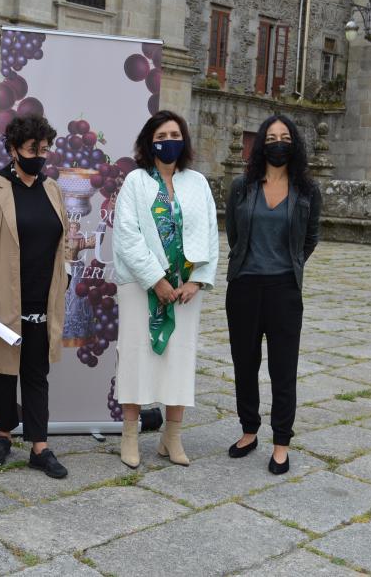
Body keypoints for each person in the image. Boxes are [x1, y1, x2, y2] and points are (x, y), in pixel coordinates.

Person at [0, 115, 70, 479]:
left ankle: (40, 446)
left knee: (37, 372)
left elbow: (63, 240)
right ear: (13, 149)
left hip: (43, 297)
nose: (39, 156)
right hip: (3, 298)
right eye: (31, 149)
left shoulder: (52, 189)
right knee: (3, 370)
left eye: (44, 149)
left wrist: (65, 275)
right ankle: (4, 434)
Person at [113, 110, 219, 469]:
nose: (169, 141)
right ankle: (130, 436)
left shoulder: (198, 183)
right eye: (162, 136)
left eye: (175, 135)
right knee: (135, 356)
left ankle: (171, 437)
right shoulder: (135, 181)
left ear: (183, 141)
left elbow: (210, 233)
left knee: (179, 359)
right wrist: (155, 279)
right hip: (140, 286)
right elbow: (127, 235)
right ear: (150, 141)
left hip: (185, 291)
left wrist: (197, 280)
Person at [225, 114, 321, 475]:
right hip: (244, 287)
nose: (277, 144)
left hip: (284, 290)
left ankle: (282, 442)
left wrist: (289, 264)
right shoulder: (242, 187)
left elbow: (310, 238)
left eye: (284, 138)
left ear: (294, 144)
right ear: (260, 145)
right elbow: (234, 234)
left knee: (283, 369)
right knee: (244, 364)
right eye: (270, 138)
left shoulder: (307, 191)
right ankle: (249, 430)